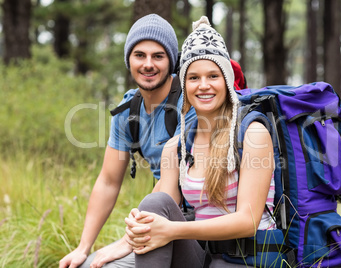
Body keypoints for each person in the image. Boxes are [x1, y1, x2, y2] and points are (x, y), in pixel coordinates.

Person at [124, 16, 276, 267]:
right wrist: (136, 227)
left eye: (213, 76)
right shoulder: (178, 147)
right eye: (193, 78)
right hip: (202, 256)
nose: (203, 86)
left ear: (226, 81)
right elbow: (158, 212)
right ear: (184, 85)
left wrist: (172, 230)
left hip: (247, 257)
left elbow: (248, 221)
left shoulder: (252, 133)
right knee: (152, 203)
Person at [59, 14, 196, 268]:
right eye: (139, 55)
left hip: (196, 225)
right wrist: (83, 247)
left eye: (158, 56)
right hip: (158, 218)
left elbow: (173, 180)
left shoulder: (189, 102)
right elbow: (108, 182)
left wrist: (127, 240)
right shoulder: (128, 111)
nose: (148, 64)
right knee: (86, 264)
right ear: (128, 60)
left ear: (171, 61)